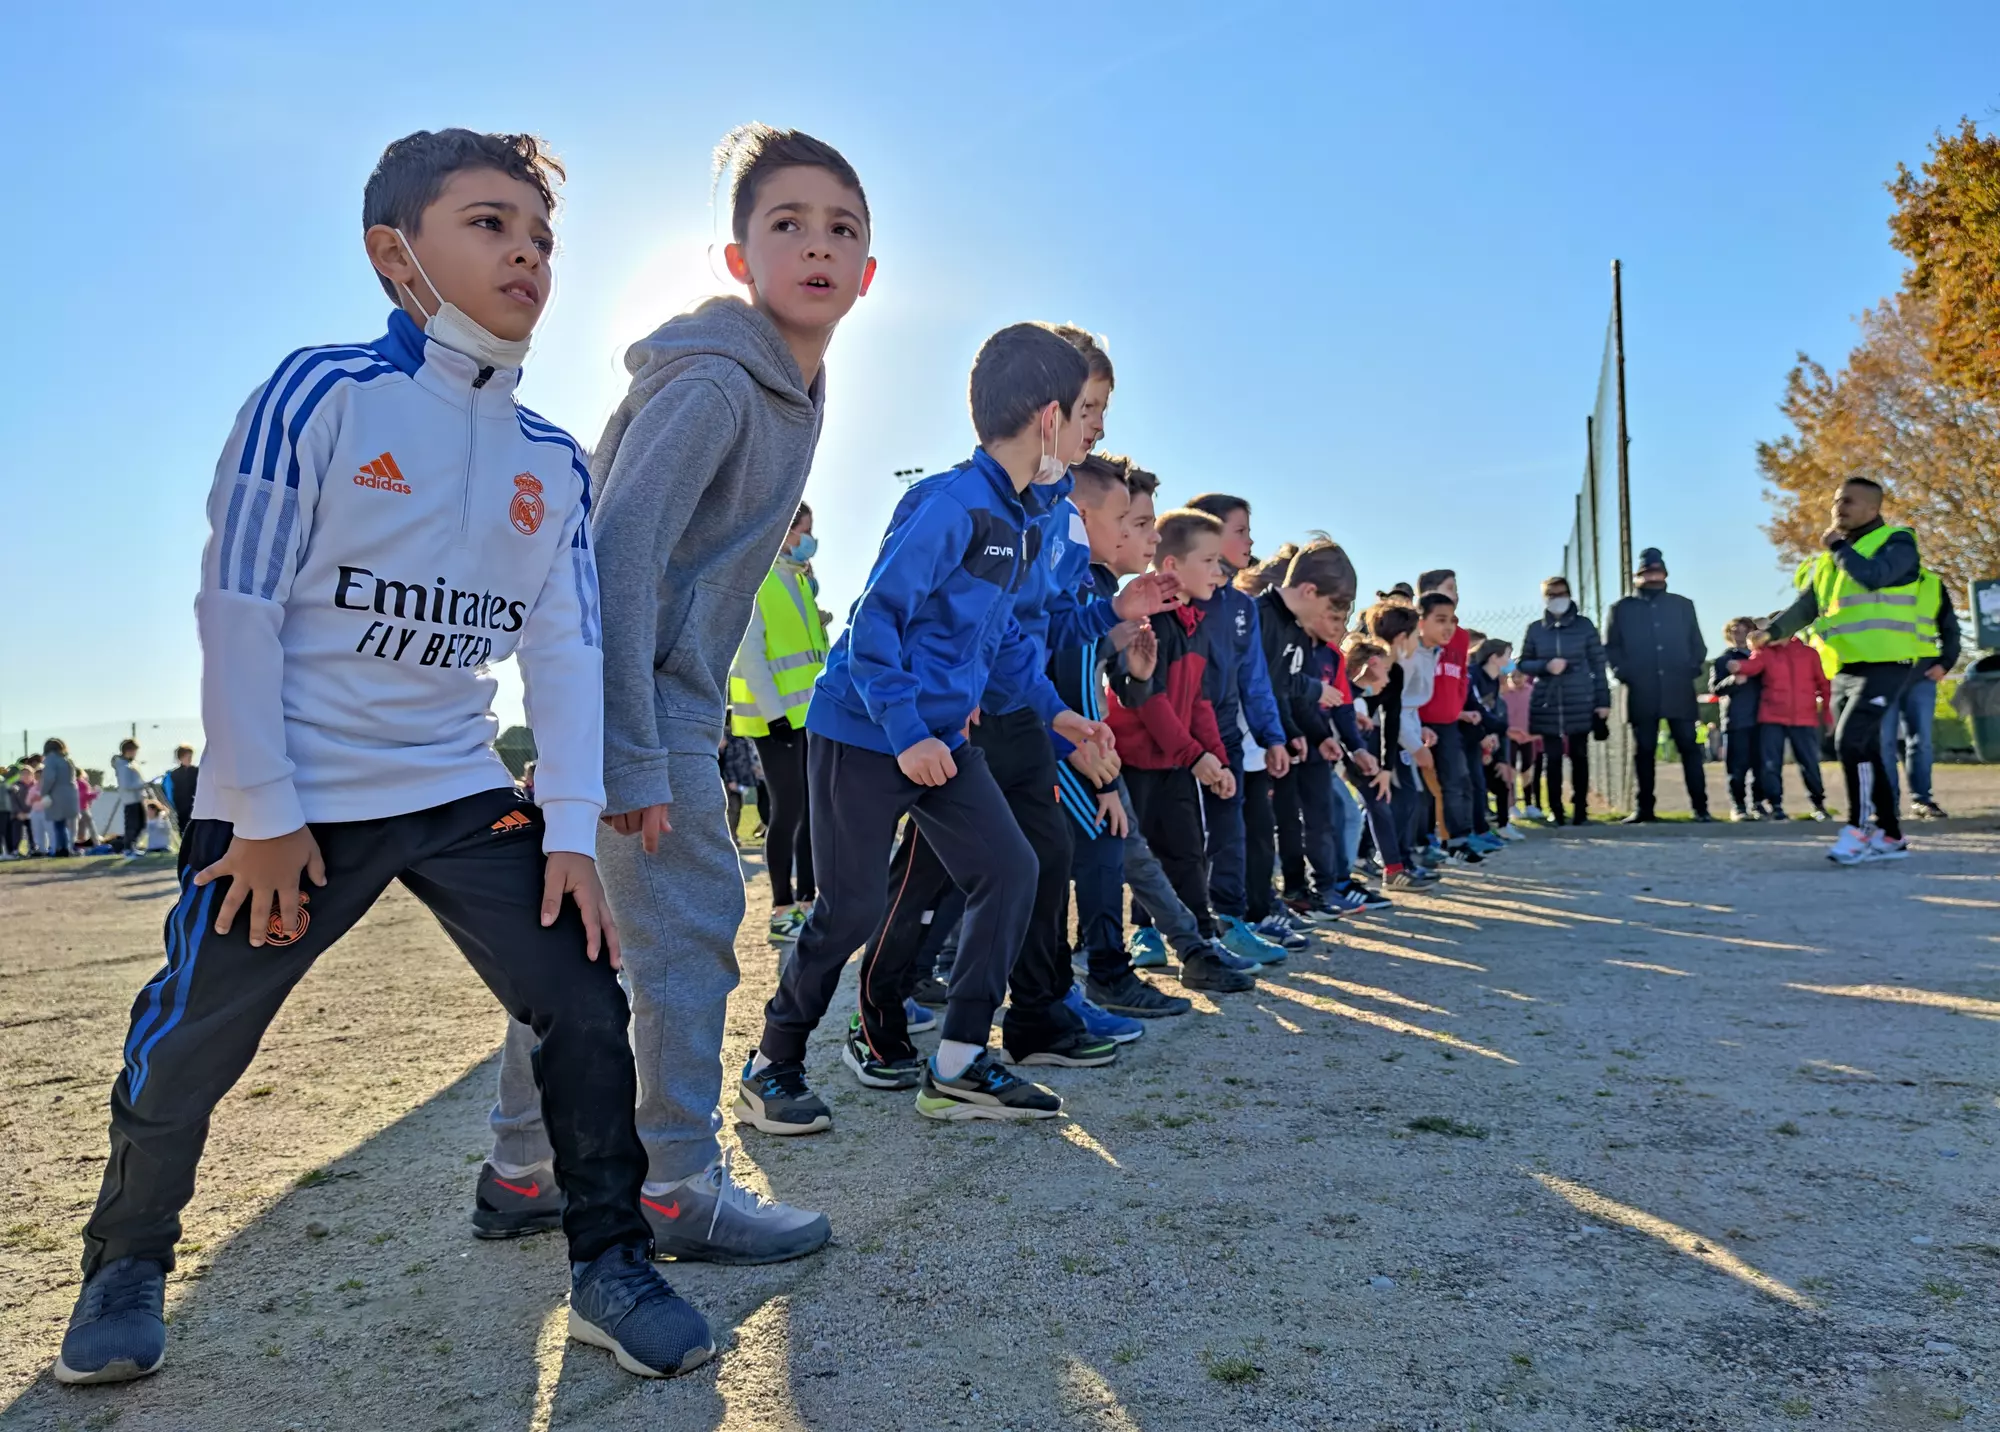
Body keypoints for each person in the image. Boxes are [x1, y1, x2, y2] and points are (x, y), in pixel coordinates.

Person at [58, 128, 715, 1389]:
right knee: (189, 1038)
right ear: (394, 254)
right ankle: (125, 1261)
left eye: (540, 234)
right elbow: (237, 605)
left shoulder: (552, 461)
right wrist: (255, 809)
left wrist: (568, 830)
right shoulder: (320, 393)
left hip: (459, 789)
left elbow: (567, 652)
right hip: (291, 799)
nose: (526, 251)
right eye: (488, 223)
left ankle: (612, 1264)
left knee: (582, 998)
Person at [483, 125, 871, 1264]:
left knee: (582, 937)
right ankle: (676, 1182)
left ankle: (522, 1164)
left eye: (840, 228)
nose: (815, 245)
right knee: (690, 935)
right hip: (637, 706)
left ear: (869, 269)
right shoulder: (716, 382)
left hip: (634, 702)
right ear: (737, 256)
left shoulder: (791, 387)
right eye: (785, 224)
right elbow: (616, 557)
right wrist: (628, 753)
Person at [753, 321, 1118, 1128]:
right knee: (846, 910)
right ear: (1049, 416)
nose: (1097, 432)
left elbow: (1004, 637)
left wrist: (1058, 713)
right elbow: (877, 619)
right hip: (866, 731)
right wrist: (909, 731)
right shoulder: (948, 503)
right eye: (1089, 415)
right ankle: (772, 1063)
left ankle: (957, 1064)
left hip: (943, 741)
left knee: (1012, 869)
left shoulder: (1022, 518)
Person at [1051, 452, 1201, 1016]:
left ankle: (1103, 970)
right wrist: (1090, 758)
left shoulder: (1103, 589)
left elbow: (1095, 674)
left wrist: (1130, 671)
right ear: (1091, 519)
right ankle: (1102, 975)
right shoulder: (1080, 581)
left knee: (1101, 848)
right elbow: (1061, 673)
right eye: (1137, 523)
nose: (1149, 535)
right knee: (1097, 846)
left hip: (1077, 746)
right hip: (1061, 746)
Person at [1103, 508, 1246, 984]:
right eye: (1208, 560)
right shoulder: (1153, 623)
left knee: (1188, 852)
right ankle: (1128, 941)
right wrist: (1195, 756)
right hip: (1136, 763)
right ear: (1171, 567)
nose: (1219, 571)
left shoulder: (1194, 623)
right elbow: (1150, 701)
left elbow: (1200, 701)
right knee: (1130, 857)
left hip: (1175, 765)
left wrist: (1216, 758)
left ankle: (1202, 946)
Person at [1757, 476, 1927, 862]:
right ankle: (1891, 835)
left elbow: (1874, 577)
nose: (1839, 508)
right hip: (1848, 667)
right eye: (1836, 501)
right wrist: (1772, 632)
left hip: (1888, 663)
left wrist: (1837, 547)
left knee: (1850, 741)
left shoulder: (1898, 542)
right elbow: (1807, 606)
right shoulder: (1827, 562)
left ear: (1873, 508)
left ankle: (1860, 828)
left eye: (1849, 502)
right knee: (1862, 747)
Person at [1181, 493, 1293, 963]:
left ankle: (1230, 923)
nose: (1250, 540)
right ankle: (1149, 930)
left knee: (1229, 834)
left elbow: (1254, 680)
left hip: (1224, 737)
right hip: (1172, 739)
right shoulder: (1171, 595)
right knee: (1174, 837)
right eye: (1241, 530)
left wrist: (1271, 736)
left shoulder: (1242, 608)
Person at [729, 501, 828, 941]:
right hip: (778, 723)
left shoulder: (798, 579)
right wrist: (775, 717)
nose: (810, 539)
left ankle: (808, 899)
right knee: (787, 811)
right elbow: (750, 656)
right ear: (786, 533)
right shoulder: (758, 581)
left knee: (809, 808)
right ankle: (781, 908)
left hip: (809, 715)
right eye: (804, 530)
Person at [1603, 548, 1711, 822]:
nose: (1653, 577)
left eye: (1658, 572)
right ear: (1637, 576)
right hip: (1642, 690)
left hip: (1678, 687)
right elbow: (1612, 647)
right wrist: (1623, 673)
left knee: (1689, 747)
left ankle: (1701, 808)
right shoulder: (1622, 609)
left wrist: (1690, 668)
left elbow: (1697, 644)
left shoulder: (1682, 605)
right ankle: (1644, 809)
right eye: (1647, 573)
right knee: (1645, 750)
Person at [1518, 577, 1609, 826]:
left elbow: (1599, 665)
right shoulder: (1536, 629)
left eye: (1561, 593)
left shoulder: (1585, 626)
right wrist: (1545, 667)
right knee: (1552, 757)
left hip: (1580, 697)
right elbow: (1524, 662)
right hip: (1547, 701)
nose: (1557, 598)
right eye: (1551, 594)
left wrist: (1603, 701)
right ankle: (1555, 809)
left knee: (1579, 754)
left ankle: (1581, 809)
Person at [1882, 570, 1959, 820]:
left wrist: (1945, 663)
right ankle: (1887, 804)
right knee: (1884, 742)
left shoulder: (1932, 584)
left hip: (1922, 674)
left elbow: (1950, 627)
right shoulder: (1875, 577)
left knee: (1921, 740)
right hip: (1884, 672)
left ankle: (1922, 800)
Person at [1734, 625, 1831, 821]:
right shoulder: (1765, 653)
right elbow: (1753, 666)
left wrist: (1827, 715)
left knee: (1810, 762)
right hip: (1772, 717)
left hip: (1804, 717)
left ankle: (1818, 804)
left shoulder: (1808, 654)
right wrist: (1737, 666)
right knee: (1771, 763)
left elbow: (1823, 683)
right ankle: (1776, 805)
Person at [1709, 618, 1769, 821]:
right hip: (1736, 719)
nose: (1740, 634)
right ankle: (1739, 806)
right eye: (1735, 630)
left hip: (1763, 718)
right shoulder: (1724, 659)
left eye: (1745, 630)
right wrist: (1733, 681)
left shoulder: (1762, 657)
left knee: (1761, 766)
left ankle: (1759, 804)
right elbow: (1715, 687)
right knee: (1737, 767)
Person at [39, 739, 79, 857]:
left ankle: (61, 849)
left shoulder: (50, 761)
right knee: (65, 824)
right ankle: (66, 847)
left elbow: (49, 779)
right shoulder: (67, 761)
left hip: (57, 794)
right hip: (70, 794)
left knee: (58, 824)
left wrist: (44, 792)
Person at [112, 739, 147, 856]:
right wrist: (142, 785)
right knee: (132, 825)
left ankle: (133, 846)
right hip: (131, 800)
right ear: (128, 750)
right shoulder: (123, 766)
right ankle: (128, 848)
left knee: (141, 823)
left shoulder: (131, 764)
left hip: (138, 798)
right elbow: (126, 785)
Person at [158, 746, 199, 836]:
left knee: (194, 825)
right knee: (183, 824)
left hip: (194, 802)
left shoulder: (196, 771)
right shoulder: (174, 774)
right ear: (180, 758)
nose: (190, 759)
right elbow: (169, 789)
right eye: (187, 757)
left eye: (190, 756)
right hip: (180, 803)